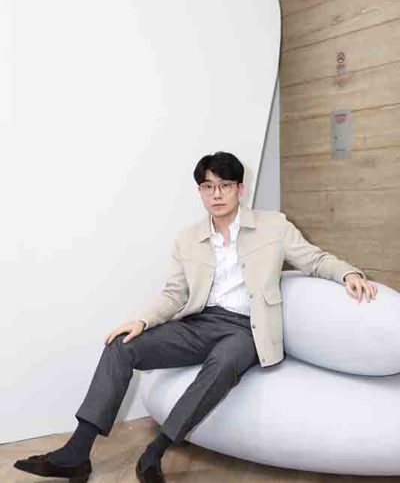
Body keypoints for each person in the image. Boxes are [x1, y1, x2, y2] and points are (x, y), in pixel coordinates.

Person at [14, 151, 377, 483]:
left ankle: (155, 453)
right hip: (200, 323)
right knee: (121, 346)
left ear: (240, 189)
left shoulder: (274, 227)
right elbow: (175, 294)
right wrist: (142, 321)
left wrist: (348, 273)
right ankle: (77, 453)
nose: (216, 194)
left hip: (246, 329)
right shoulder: (188, 239)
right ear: (200, 192)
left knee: (224, 363)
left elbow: (314, 259)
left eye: (224, 185)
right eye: (208, 186)